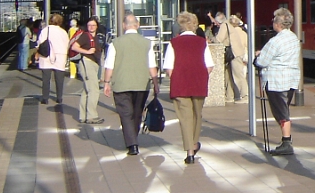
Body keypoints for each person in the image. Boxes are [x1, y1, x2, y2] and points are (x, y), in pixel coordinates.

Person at [103, 13, 158, 156]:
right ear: (137, 25)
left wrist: (106, 82)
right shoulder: (147, 43)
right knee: (137, 112)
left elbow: (109, 65)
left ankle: (132, 144)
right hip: (141, 83)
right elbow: (152, 65)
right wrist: (155, 83)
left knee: (125, 113)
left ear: (123, 25)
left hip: (121, 84)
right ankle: (133, 136)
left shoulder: (115, 43)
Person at [164, 12, 213, 164]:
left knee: (185, 118)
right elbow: (209, 66)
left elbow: (168, 68)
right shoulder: (202, 42)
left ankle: (189, 152)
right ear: (195, 25)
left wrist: (178, 76)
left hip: (180, 84)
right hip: (198, 83)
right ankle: (194, 143)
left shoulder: (173, 43)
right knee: (197, 115)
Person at [254, 8, 302, 156]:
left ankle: (287, 141)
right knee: (284, 108)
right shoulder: (294, 38)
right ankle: (286, 140)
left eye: (274, 20)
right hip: (291, 78)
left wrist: (257, 57)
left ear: (278, 24)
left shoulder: (275, 41)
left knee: (281, 112)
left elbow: (262, 62)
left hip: (276, 80)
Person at [71, 17, 104, 124]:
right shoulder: (85, 36)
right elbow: (74, 47)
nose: (91, 27)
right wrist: (87, 51)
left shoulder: (97, 37)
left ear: (97, 26)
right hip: (87, 62)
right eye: (89, 25)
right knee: (94, 90)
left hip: (93, 63)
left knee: (87, 90)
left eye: (93, 25)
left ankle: (83, 115)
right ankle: (92, 116)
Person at [38, 13, 69, 105]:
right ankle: (59, 97)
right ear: (60, 22)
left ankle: (45, 98)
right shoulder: (63, 32)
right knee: (59, 78)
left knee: (46, 78)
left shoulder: (45, 30)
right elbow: (67, 43)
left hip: (46, 55)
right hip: (60, 56)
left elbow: (40, 42)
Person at [222, 14, 249, 103]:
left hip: (233, 54)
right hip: (240, 54)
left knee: (233, 75)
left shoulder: (231, 32)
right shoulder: (243, 33)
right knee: (237, 74)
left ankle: (239, 96)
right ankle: (233, 95)